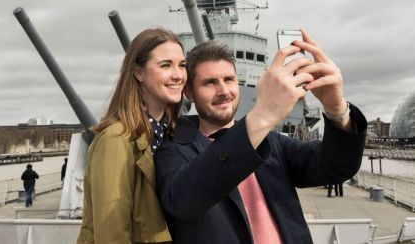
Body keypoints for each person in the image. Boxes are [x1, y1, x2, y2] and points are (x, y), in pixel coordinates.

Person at [155, 32, 367, 244]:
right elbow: (183, 200)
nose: (224, 91)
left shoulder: (273, 143)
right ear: (189, 93)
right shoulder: (172, 150)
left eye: (229, 79)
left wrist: (336, 109)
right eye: (209, 83)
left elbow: (336, 166)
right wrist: (263, 114)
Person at [76, 28, 186, 244]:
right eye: (166, 65)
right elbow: (112, 234)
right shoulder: (116, 140)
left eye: (182, 65)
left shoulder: (169, 134)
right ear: (138, 73)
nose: (178, 75)